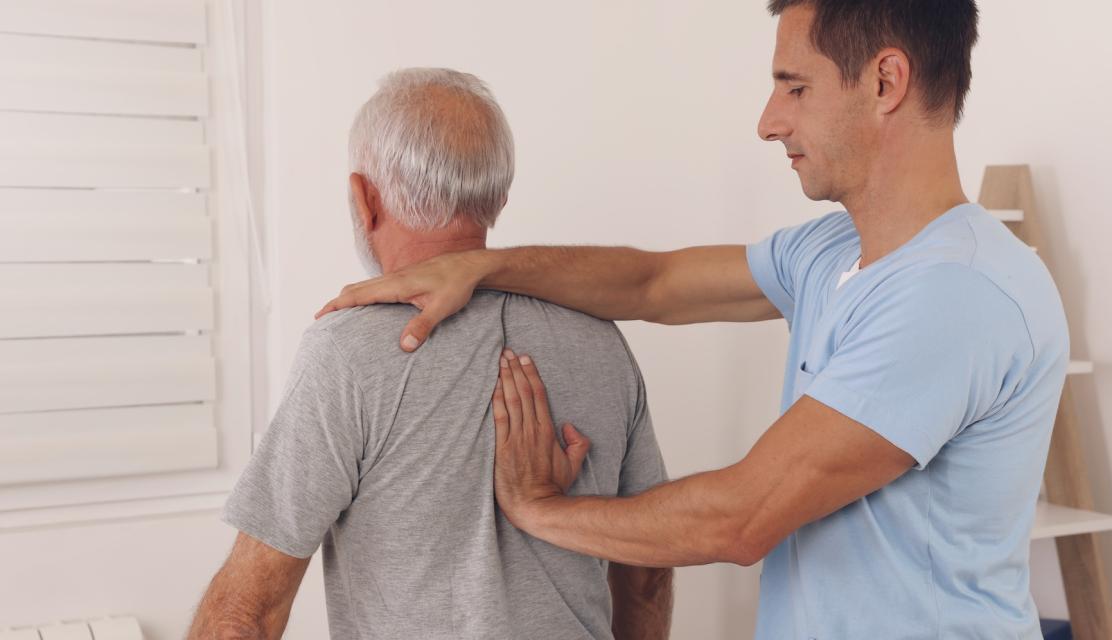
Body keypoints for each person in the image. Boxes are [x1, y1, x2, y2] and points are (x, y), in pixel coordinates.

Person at [316, 1, 1071, 638]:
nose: (769, 122)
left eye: (795, 88)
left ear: (885, 81)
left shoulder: (954, 293)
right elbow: (657, 282)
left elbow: (741, 519)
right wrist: (484, 265)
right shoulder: (835, 250)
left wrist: (538, 508)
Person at [188, 68, 673, 640]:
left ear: (363, 199)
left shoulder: (349, 354)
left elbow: (248, 611)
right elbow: (647, 571)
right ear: (497, 197)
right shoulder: (601, 342)